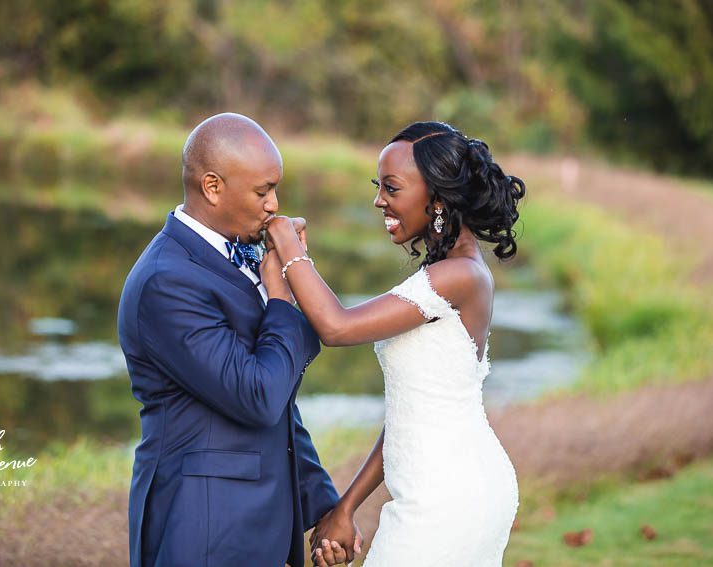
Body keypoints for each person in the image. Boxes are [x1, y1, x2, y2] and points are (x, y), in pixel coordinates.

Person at [262, 121, 524, 566]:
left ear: (436, 199)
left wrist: (286, 242)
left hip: (450, 498)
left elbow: (337, 327)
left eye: (392, 187)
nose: (379, 200)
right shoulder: (442, 271)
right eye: (377, 186)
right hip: (448, 488)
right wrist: (346, 507)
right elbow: (410, 415)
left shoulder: (458, 275)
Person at [117, 113, 361, 567]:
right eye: (263, 191)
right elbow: (258, 396)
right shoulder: (166, 281)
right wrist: (280, 295)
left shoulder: (238, 255)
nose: (274, 205)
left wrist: (325, 507)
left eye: (275, 190)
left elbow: (279, 406)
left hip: (256, 522)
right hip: (205, 528)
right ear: (212, 187)